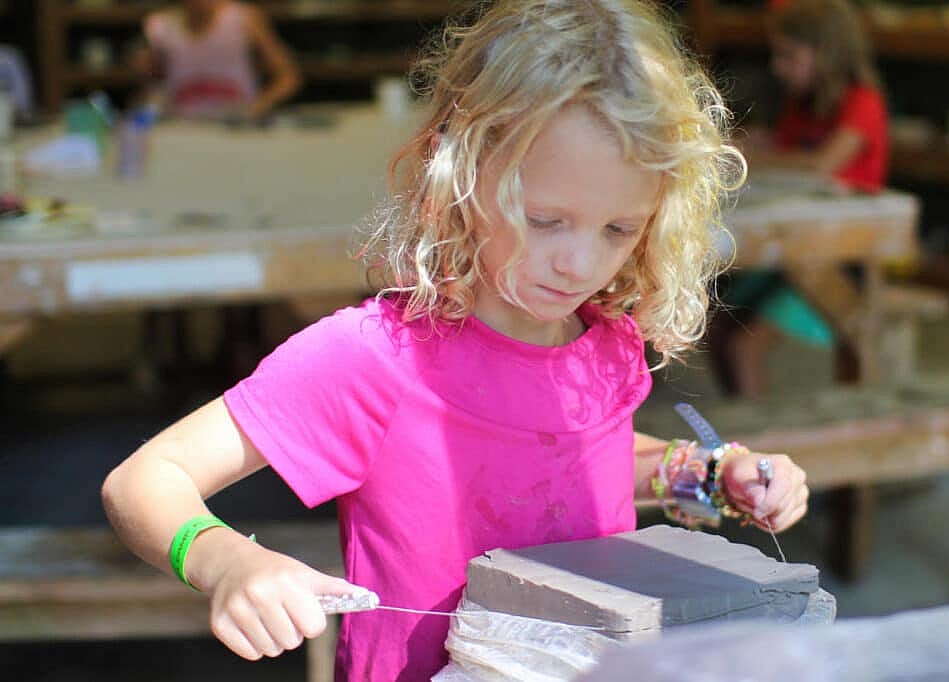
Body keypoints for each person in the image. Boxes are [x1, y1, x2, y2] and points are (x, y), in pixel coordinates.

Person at [102, 1, 810, 679]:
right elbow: (143, 480)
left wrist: (709, 474)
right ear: (461, 173)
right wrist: (226, 562)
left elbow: (573, 469)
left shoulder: (606, 344)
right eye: (544, 219)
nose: (581, 262)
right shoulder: (373, 359)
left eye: (618, 229)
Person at [712, 0, 889, 396]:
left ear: (827, 53)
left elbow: (820, 165)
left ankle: (756, 448)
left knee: (743, 347)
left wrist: (752, 156)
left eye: (789, 55)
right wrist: (760, 146)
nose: (778, 66)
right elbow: (789, 157)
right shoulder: (801, 105)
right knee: (718, 328)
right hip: (795, 253)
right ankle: (747, 433)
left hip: (843, 260)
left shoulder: (863, 102)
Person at [134, 0, 301, 120]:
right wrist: (146, 73)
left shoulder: (245, 18)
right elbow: (152, 85)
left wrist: (260, 105)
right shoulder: (160, 25)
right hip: (182, 127)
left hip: (237, 126)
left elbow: (288, 76)